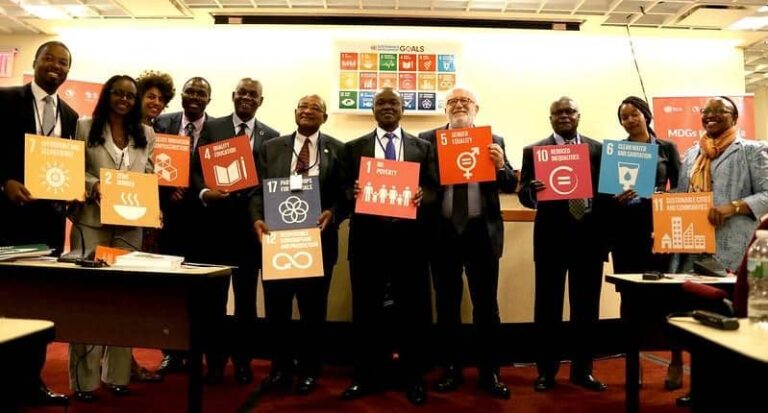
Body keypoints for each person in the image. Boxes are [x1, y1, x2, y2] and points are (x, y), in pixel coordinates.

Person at [340, 87, 437, 406]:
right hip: (368, 242)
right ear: (372, 109)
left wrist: (424, 195)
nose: (386, 107)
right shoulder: (353, 148)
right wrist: (352, 191)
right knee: (366, 309)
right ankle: (366, 376)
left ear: (402, 108)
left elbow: (435, 189)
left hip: (411, 244)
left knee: (413, 311)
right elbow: (341, 190)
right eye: (380, 102)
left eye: (393, 102)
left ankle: (414, 377)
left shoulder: (423, 147)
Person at [418, 86, 516, 399]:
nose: (459, 105)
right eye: (453, 101)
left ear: (476, 108)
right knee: (447, 304)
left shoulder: (494, 140)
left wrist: (500, 166)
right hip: (443, 233)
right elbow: (419, 182)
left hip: (481, 233)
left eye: (466, 101)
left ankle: (490, 373)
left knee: (486, 306)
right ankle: (451, 369)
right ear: (444, 108)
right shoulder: (427, 140)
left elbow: (509, 184)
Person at [669, 97, 768, 405]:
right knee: (698, 319)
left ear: (734, 117)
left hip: (734, 248)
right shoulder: (691, 154)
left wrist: (734, 207)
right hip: (692, 246)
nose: (710, 116)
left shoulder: (753, 150)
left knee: (731, 320)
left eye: (719, 112)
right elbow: (682, 196)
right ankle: (697, 385)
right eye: (706, 112)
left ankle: (734, 390)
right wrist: (665, 218)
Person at [67, 74, 156, 402]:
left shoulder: (146, 133)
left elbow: (148, 173)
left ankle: (117, 375)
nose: (124, 100)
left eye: (130, 96)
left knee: (124, 299)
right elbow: (72, 169)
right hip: (92, 221)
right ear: (107, 95)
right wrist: (93, 185)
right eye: (118, 93)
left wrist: (153, 205)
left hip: (130, 225)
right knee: (88, 300)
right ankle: (84, 381)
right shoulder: (84, 126)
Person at [250, 95, 346, 395]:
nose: (307, 111)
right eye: (303, 106)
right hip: (277, 241)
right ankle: (279, 369)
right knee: (277, 310)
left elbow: (345, 194)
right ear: (295, 113)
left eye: (315, 108)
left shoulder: (338, 149)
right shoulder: (272, 147)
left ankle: (309, 370)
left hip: (316, 242)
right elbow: (256, 190)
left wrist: (334, 213)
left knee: (312, 312)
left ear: (324, 117)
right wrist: (257, 218)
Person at [0, 40, 75, 408]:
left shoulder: (71, 116)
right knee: (6, 301)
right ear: (35, 61)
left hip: (48, 225)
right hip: (6, 220)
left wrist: (71, 193)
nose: (55, 67)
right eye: (50, 59)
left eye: (63, 63)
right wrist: (3, 183)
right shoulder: (4, 99)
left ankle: (32, 380)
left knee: (41, 306)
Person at [191, 77, 279, 385]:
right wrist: (206, 193)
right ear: (232, 95)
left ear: (260, 101)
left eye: (253, 94)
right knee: (213, 300)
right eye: (242, 92)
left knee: (246, 301)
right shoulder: (213, 128)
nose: (247, 98)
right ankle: (215, 362)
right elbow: (196, 170)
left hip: (250, 231)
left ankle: (243, 362)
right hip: (214, 228)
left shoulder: (271, 137)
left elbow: (269, 182)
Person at [518, 96, 609, 392]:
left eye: (570, 111)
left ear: (579, 115)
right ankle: (546, 372)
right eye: (558, 112)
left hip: (589, 240)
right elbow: (524, 195)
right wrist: (531, 191)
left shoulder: (598, 150)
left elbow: (607, 194)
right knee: (548, 309)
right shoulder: (534, 151)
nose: (564, 115)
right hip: (551, 241)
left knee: (587, 309)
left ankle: (583, 371)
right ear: (550, 118)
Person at [608, 96, 684, 390]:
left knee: (669, 297)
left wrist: (662, 197)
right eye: (624, 117)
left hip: (660, 231)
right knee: (629, 299)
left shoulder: (666, 148)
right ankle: (633, 361)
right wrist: (616, 198)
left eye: (634, 114)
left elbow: (681, 188)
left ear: (646, 115)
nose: (629, 120)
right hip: (626, 234)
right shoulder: (616, 150)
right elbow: (606, 196)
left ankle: (676, 360)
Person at [153, 76, 212, 375]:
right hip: (167, 220)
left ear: (209, 99)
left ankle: (196, 350)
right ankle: (171, 353)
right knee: (168, 291)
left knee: (200, 294)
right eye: (190, 91)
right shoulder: (161, 123)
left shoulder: (219, 129)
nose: (195, 96)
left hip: (203, 223)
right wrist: (166, 191)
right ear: (182, 95)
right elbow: (147, 164)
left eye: (201, 93)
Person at [130, 69, 176, 383]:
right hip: (125, 215)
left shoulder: (158, 131)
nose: (156, 102)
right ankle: (122, 362)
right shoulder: (126, 128)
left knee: (140, 294)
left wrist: (171, 189)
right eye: (150, 96)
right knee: (124, 291)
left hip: (150, 222)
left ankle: (125, 361)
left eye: (161, 99)